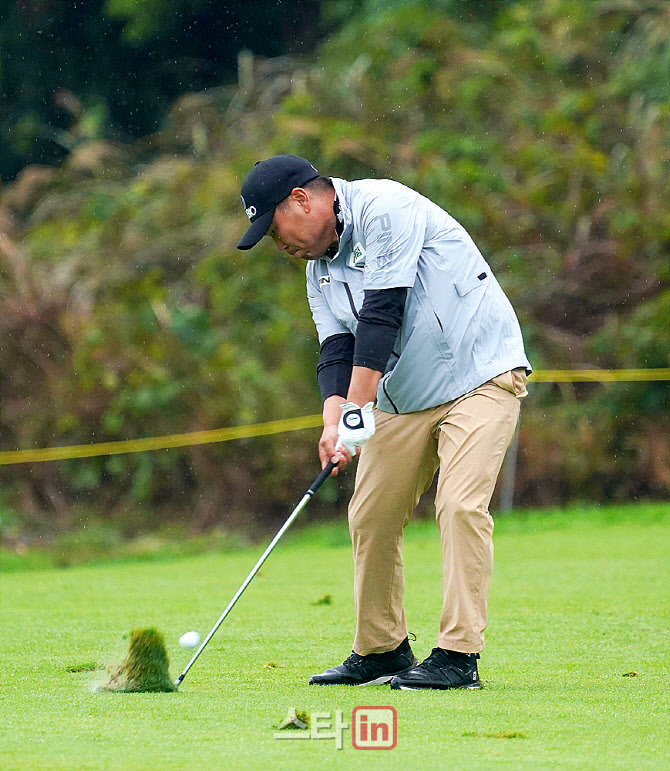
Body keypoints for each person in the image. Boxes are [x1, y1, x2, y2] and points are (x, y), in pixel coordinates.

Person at [237, 154, 531, 690]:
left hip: (480, 373)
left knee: (461, 505)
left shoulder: (385, 207)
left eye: (274, 229)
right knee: (370, 514)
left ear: (303, 199)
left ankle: (457, 656)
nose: (278, 246)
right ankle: (382, 649)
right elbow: (336, 349)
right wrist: (334, 422)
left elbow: (381, 314)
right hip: (403, 394)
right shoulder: (318, 270)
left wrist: (353, 416)